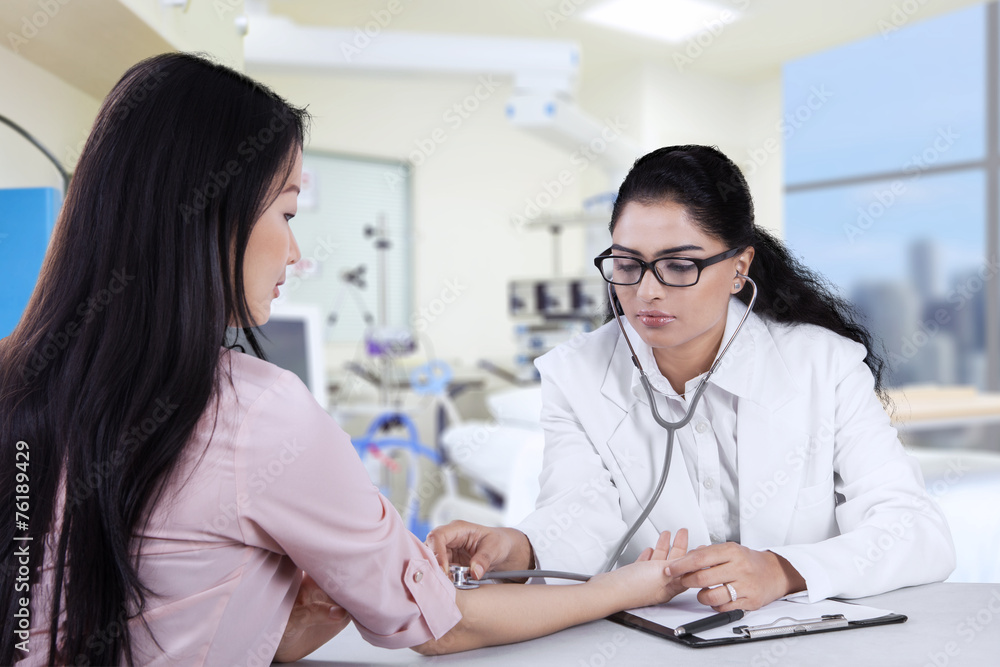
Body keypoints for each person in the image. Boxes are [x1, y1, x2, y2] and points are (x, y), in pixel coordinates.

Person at [0, 54, 691, 666]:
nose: (297, 255)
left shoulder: (17, 380)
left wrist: (284, 609)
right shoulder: (257, 412)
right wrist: (630, 586)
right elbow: (440, 626)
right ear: (212, 214)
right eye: (290, 214)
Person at [428, 145, 956, 613]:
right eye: (627, 264)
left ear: (738, 268)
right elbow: (579, 510)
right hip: (655, 643)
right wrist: (517, 546)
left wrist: (783, 570)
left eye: (679, 266)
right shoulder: (575, 373)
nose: (647, 291)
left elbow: (916, 531)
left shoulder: (825, 365)